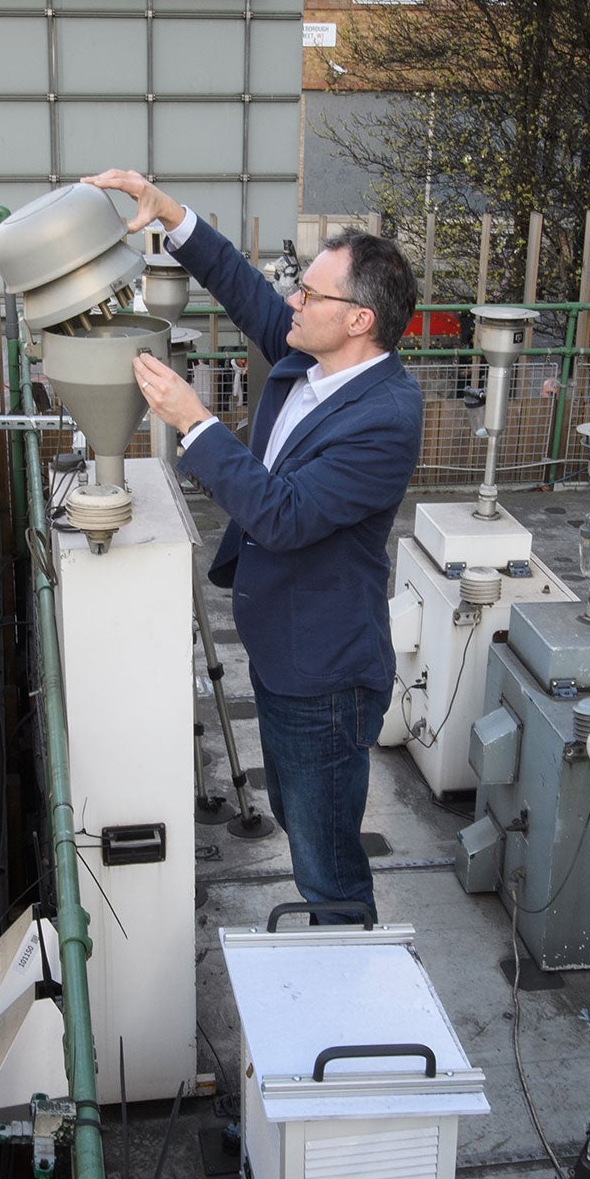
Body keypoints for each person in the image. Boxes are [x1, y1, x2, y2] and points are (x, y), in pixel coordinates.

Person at [82, 168, 423, 923]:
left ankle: (345, 969)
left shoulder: (386, 417)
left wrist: (193, 421)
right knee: (303, 817)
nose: (294, 302)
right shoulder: (314, 357)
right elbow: (244, 288)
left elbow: (283, 516)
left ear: (360, 320)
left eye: (314, 294)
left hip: (323, 676)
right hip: (284, 650)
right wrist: (168, 214)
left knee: (324, 853)